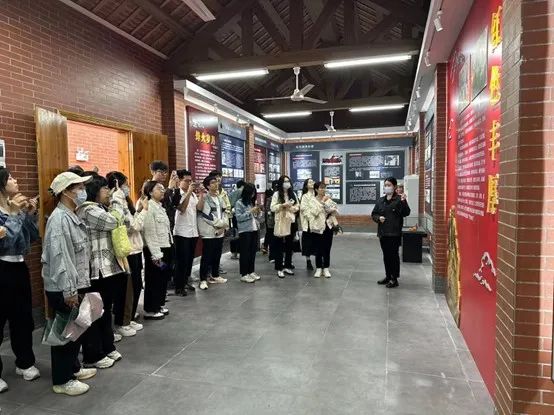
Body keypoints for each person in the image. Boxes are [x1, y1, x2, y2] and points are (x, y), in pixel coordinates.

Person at [42, 171, 97, 396]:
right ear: (65, 191)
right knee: (65, 334)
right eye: (79, 187)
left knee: (75, 330)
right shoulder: (59, 220)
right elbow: (61, 258)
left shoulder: (71, 216)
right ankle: (62, 380)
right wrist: (70, 290)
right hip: (64, 287)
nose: (83, 191)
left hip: (75, 283)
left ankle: (73, 368)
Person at [77, 175, 124, 368]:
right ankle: (92, 355)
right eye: (105, 189)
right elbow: (115, 221)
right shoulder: (88, 210)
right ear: (95, 191)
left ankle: (107, 347)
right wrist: (117, 202)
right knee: (94, 313)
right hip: (94, 269)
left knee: (105, 310)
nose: (109, 192)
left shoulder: (99, 208)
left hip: (106, 267)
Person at [0, 167, 40, 393]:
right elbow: (5, 243)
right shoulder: (6, 211)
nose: (15, 181)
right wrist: (15, 215)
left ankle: (25, 362)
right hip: (2, 268)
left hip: (18, 267)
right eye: (10, 178)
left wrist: (29, 215)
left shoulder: (14, 207)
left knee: (23, 319)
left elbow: (31, 238)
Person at [107, 171, 146, 335]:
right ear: (117, 184)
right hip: (126, 250)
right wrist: (144, 211)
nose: (128, 187)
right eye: (125, 184)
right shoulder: (116, 201)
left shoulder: (124, 201)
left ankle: (128, 318)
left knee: (135, 286)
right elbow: (132, 226)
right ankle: (122, 322)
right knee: (127, 288)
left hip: (135, 248)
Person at [371, 177, 411, 288]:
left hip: (394, 234)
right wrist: (378, 218)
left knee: (393, 256)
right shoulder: (381, 200)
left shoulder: (399, 199)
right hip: (383, 233)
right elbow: (374, 214)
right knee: (386, 256)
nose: (387, 187)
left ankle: (394, 278)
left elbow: (406, 213)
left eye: (389, 185)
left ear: (394, 187)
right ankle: (388, 276)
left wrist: (404, 201)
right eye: (385, 185)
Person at [142, 181, 173, 319]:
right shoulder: (149, 207)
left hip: (165, 247)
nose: (162, 191)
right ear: (150, 192)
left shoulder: (160, 207)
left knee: (162, 278)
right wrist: (156, 254)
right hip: (155, 250)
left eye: (163, 188)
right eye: (159, 189)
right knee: (154, 279)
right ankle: (150, 309)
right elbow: (149, 233)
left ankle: (159, 304)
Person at [197, 175, 229, 290]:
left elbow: (225, 212)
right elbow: (207, 215)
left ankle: (215, 275)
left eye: (216, 182)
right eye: (212, 183)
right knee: (207, 256)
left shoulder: (220, 198)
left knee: (217, 254)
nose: (216, 184)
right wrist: (220, 224)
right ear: (207, 186)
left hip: (220, 231)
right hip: (209, 232)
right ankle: (203, 279)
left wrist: (224, 225)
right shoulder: (206, 198)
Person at [173, 169, 199, 296]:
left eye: (190, 181)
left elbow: (198, 208)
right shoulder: (177, 194)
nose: (189, 183)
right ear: (179, 181)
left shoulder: (193, 195)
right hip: (181, 232)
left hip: (193, 231)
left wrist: (201, 194)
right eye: (186, 181)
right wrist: (188, 192)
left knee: (189, 260)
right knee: (181, 261)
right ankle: (179, 286)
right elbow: (182, 208)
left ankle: (186, 281)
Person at [270, 175, 299, 278]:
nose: (287, 183)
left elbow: (297, 206)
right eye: (285, 181)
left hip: (291, 222)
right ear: (281, 183)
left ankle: (287, 265)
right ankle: (279, 268)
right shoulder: (276, 194)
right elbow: (272, 208)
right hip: (281, 222)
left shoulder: (293, 194)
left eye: (288, 181)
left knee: (289, 245)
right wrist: (282, 206)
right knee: (279, 245)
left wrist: (291, 208)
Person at [234, 183, 262, 283]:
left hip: (254, 229)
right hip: (245, 231)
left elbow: (256, 217)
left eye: (254, 193)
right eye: (251, 193)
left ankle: (251, 271)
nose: (253, 195)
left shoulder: (251, 202)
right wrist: (250, 212)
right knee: (245, 253)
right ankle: (244, 274)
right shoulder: (239, 203)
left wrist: (258, 212)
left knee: (252, 252)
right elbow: (239, 217)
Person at [314, 181, 339, 278]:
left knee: (327, 247)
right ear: (316, 189)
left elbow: (335, 210)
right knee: (318, 248)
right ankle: (318, 268)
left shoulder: (329, 199)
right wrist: (323, 202)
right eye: (321, 188)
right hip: (317, 226)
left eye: (324, 187)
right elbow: (315, 212)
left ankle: (326, 268)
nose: (323, 189)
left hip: (328, 226)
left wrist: (332, 209)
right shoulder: (313, 200)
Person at [208, 170, 230, 275]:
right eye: (216, 177)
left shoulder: (223, 192)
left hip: (223, 223)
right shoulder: (208, 194)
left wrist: (225, 225)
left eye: (219, 177)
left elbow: (227, 207)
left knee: (218, 249)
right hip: (212, 226)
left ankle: (216, 268)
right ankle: (209, 270)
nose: (219, 179)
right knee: (210, 250)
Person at [299, 178, 319, 271]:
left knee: (317, 242)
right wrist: (312, 216)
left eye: (312, 181)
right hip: (308, 223)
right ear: (306, 185)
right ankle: (308, 260)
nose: (312, 183)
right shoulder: (305, 196)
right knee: (307, 243)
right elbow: (304, 209)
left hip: (317, 223)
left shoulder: (317, 194)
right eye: (310, 182)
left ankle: (319, 260)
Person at [228, 180, 245, 260]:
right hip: (241, 217)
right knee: (241, 235)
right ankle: (240, 252)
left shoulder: (231, 194)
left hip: (233, 216)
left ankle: (234, 253)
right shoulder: (242, 193)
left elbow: (229, 205)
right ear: (242, 186)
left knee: (235, 235)